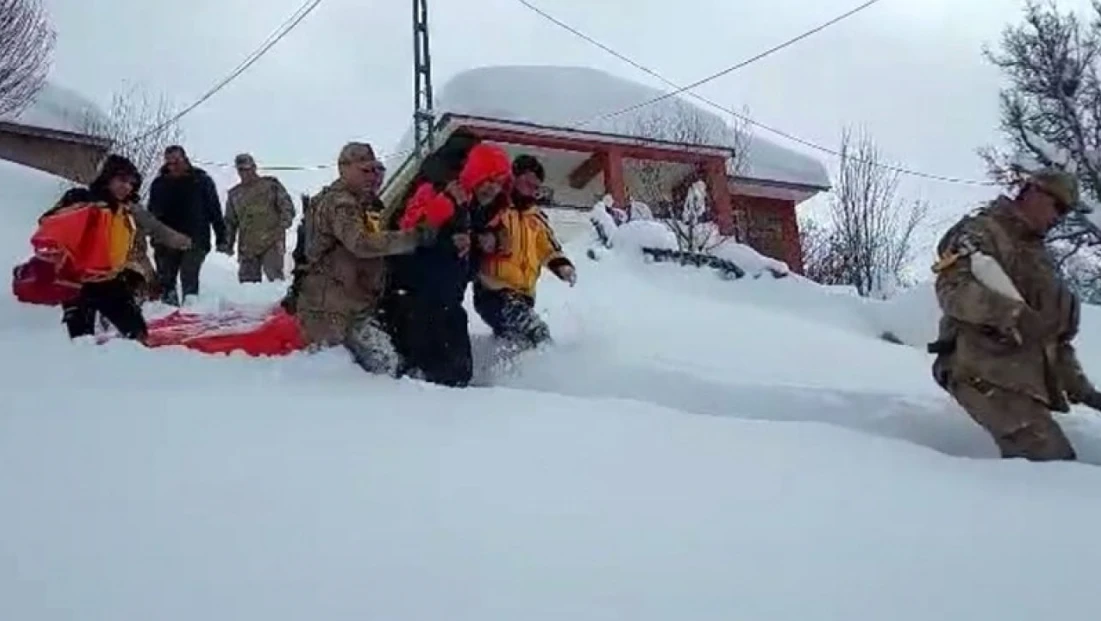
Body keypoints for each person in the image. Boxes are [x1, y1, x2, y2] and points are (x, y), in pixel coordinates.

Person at [929, 168, 1098, 461]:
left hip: (1025, 385)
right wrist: (1011, 314)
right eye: (1057, 205)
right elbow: (953, 290)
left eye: (1067, 212)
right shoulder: (980, 233)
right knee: (1051, 466)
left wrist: (1085, 392)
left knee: (1059, 466)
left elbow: (1053, 341)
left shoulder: (1041, 260)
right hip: (982, 372)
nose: (1060, 217)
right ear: (1032, 192)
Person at [294, 141, 435, 374]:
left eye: (375, 170)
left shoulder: (362, 204)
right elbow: (360, 243)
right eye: (364, 171)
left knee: (384, 367)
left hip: (354, 306)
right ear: (344, 168)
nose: (371, 176)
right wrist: (412, 239)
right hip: (328, 309)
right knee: (331, 376)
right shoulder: (340, 203)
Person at [390, 141, 512, 387]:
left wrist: (490, 241)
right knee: (420, 381)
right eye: (489, 179)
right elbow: (407, 232)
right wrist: (445, 211)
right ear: (476, 174)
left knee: (458, 376)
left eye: (499, 183)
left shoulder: (483, 210)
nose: (493, 188)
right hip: (412, 301)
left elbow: (493, 245)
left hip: (449, 304)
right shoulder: (436, 190)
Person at [37, 154, 192, 339]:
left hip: (109, 281)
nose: (126, 186)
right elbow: (48, 222)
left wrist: (180, 242)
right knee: (81, 340)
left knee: (137, 333)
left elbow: (154, 228)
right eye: (121, 180)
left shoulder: (127, 209)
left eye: (131, 183)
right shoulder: (82, 198)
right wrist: (84, 210)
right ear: (107, 178)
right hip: (77, 283)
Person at [473, 154, 576, 353]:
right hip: (493, 291)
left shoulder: (536, 218)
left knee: (518, 342)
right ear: (513, 178)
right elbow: (476, 231)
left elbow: (548, 248)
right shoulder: (496, 208)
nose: (533, 191)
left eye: (536, 187)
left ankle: (509, 376)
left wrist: (562, 266)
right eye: (528, 184)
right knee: (536, 332)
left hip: (524, 295)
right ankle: (553, 367)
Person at [148, 145, 228, 305]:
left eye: (177, 161)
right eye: (170, 163)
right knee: (166, 280)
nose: (174, 166)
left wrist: (221, 237)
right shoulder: (159, 184)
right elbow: (152, 214)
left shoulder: (201, 181)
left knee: (189, 276)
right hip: (166, 241)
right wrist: (155, 237)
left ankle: (190, 311)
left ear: (185, 159)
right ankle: (169, 314)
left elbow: (214, 210)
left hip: (196, 239)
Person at [224, 153, 296, 283]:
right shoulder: (235, 194)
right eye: (241, 170)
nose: (244, 173)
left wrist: (284, 222)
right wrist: (227, 244)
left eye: (247, 169)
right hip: (248, 247)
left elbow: (287, 206)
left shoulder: (270, 185)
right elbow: (230, 222)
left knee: (274, 281)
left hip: (272, 241)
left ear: (254, 167)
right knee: (247, 286)